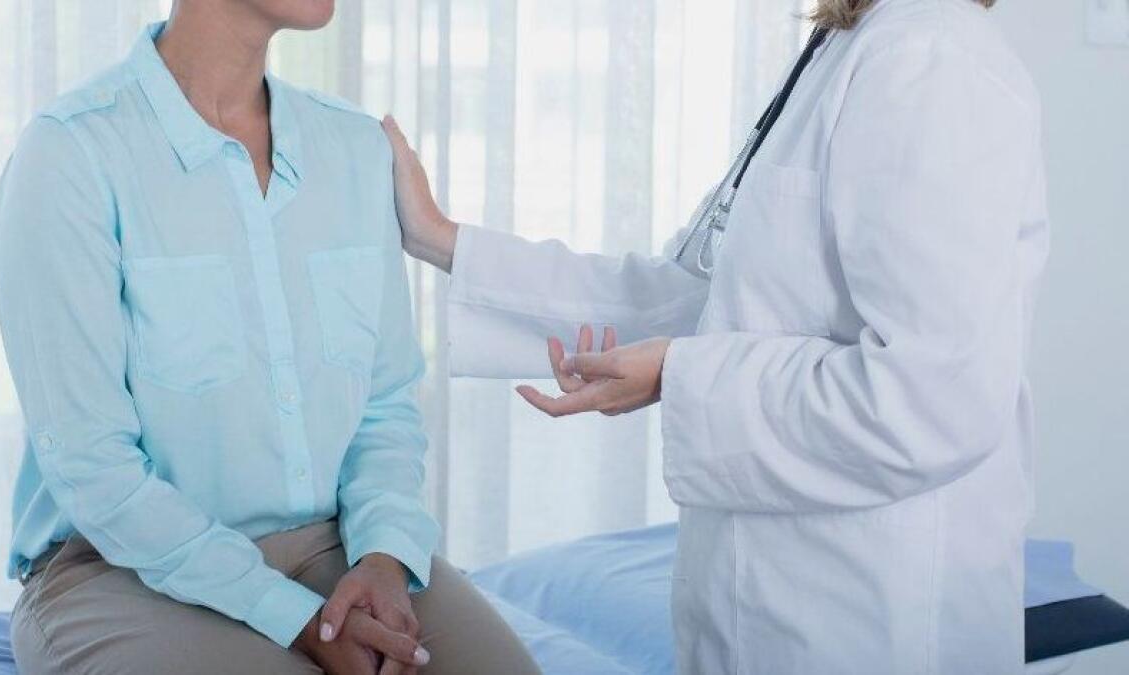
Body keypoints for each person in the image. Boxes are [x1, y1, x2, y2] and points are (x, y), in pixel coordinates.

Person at [382, 0, 1047, 672]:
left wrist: (681, 373)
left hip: (872, 623)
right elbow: (695, 297)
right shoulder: (848, 48)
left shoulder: (932, 60)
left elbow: (929, 398)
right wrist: (439, 238)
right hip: (771, 610)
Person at [0, 1, 540, 673]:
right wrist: (293, 618)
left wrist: (385, 558)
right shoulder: (70, 154)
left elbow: (385, 403)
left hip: (331, 545)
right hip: (112, 567)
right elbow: (92, 466)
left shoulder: (353, 148)